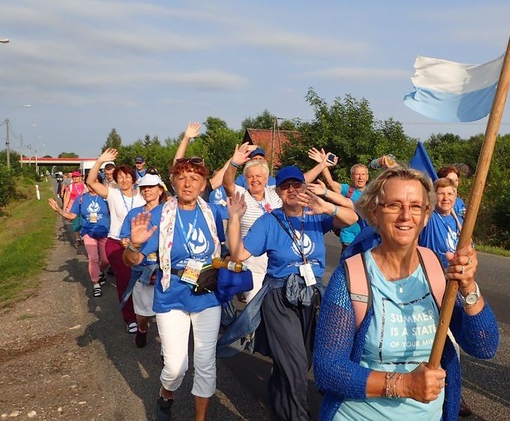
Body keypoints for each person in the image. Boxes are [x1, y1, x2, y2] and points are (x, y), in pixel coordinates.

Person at [313, 167, 499, 421]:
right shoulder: (351, 276)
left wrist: (468, 287)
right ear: (375, 213)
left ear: (426, 215)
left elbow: (484, 346)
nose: (405, 216)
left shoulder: (437, 270)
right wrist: (404, 385)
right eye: (394, 205)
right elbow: (328, 368)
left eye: (415, 206)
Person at [222, 165, 358, 421]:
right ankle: (297, 416)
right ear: (279, 191)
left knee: (303, 359)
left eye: (297, 184)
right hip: (280, 297)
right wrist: (235, 218)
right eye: (285, 186)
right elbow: (239, 254)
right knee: (295, 364)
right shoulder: (269, 221)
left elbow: (353, 219)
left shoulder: (316, 215)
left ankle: (277, 393)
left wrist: (327, 206)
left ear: (304, 187)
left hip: (312, 296)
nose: (292, 190)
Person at [124, 156, 226, 421]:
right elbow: (131, 262)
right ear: (172, 182)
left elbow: (222, 251)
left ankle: (200, 418)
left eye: (195, 178)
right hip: (171, 296)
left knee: (205, 363)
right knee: (175, 367)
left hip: (207, 295)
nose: (188, 183)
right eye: (182, 177)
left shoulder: (212, 213)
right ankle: (166, 393)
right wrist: (134, 246)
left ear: (204, 184)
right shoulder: (158, 215)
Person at [417, 177, 473, 417]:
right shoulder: (430, 220)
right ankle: (438, 392)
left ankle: (451, 393)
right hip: (432, 287)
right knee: (439, 341)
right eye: (441, 194)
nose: (446, 198)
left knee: (453, 346)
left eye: (450, 194)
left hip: (455, 288)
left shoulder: (458, 220)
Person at [86, 148, 146, 334]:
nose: (124, 180)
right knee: (125, 279)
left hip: (141, 245)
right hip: (116, 244)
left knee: (145, 281)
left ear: (133, 178)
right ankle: (129, 318)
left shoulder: (143, 195)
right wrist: (100, 161)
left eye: (128, 176)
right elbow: (90, 181)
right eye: (120, 177)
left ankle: (145, 313)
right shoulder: (111, 194)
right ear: (116, 179)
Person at [222, 143, 283, 302]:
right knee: (254, 306)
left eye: (258, 176)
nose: (254, 180)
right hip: (252, 260)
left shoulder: (274, 192)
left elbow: (300, 182)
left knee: (276, 307)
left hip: (278, 261)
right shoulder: (241, 195)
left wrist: (322, 165)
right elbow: (227, 183)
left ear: (266, 178)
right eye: (250, 176)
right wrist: (234, 163)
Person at [120, 173, 167, 349]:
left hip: (165, 269)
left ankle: (166, 349)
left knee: (166, 313)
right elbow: (124, 237)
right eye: (143, 188)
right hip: (143, 267)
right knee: (143, 312)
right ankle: (142, 328)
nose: (147, 190)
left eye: (151, 187)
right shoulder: (134, 213)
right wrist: (127, 242)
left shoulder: (169, 211)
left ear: (160, 189)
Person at [48, 176, 110, 297]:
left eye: (95, 182)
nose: (92, 186)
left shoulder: (107, 198)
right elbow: (72, 215)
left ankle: (99, 272)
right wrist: (58, 210)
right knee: (93, 258)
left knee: (106, 260)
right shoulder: (81, 199)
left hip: (105, 232)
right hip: (88, 232)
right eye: (90, 183)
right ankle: (96, 284)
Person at [307, 148, 369, 252]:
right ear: (352, 176)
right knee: (349, 266)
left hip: (366, 237)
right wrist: (323, 164)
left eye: (363, 174)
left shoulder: (373, 192)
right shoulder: (347, 189)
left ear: (367, 177)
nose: (360, 177)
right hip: (349, 238)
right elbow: (330, 183)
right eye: (357, 174)